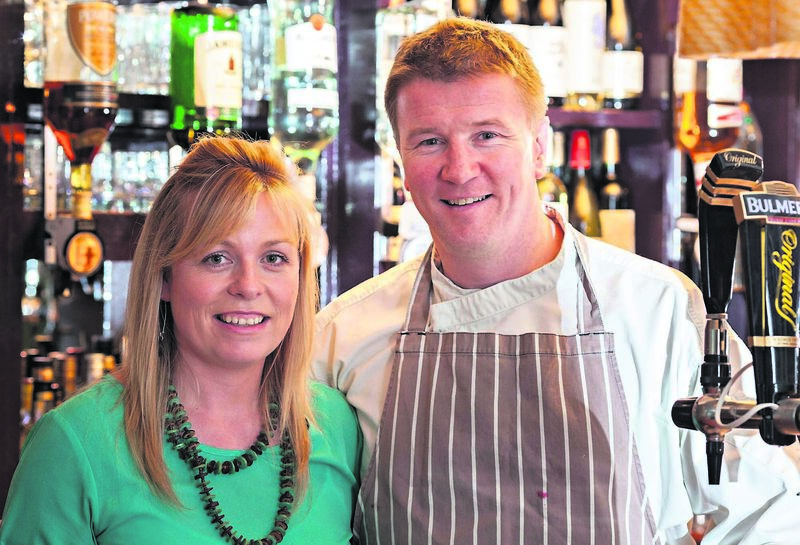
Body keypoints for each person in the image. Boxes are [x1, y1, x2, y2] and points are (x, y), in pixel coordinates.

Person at [311, 17, 800, 545]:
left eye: (487, 135)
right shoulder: (344, 336)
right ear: (400, 158)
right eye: (429, 141)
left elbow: (765, 519)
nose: (459, 168)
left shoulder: (658, 309)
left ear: (540, 146)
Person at [0, 135, 361, 544]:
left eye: (273, 258)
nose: (248, 285)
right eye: (216, 258)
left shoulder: (335, 426)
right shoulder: (75, 443)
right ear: (165, 276)